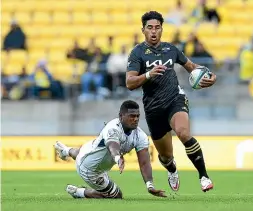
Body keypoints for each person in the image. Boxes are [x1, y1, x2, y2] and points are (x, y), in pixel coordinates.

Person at [126, 11, 217, 192]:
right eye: (150, 28)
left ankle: (204, 176)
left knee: (183, 133)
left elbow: (192, 67)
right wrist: (148, 74)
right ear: (143, 30)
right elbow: (129, 82)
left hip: (175, 99)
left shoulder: (171, 49)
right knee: (166, 156)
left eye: (157, 28)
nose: (154, 31)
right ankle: (172, 169)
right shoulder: (137, 53)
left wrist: (209, 75)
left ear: (162, 29)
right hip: (153, 108)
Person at [54, 100, 166, 199]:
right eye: (132, 116)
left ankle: (65, 151)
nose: (135, 119)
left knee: (81, 153)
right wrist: (118, 158)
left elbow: (144, 162)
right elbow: (113, 145)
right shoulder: (113, 127)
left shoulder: (140, 135)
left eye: (137, 116)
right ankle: (79, 192)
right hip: (91, 170)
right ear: (121, 116)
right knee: (116, 195)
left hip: (88, 149)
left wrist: (150, 185)